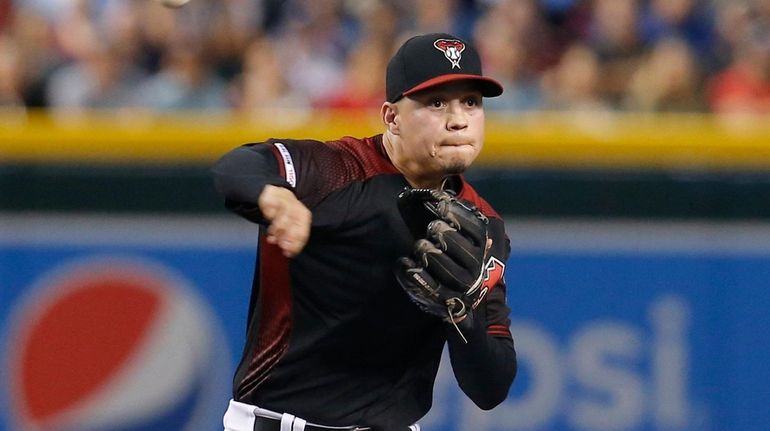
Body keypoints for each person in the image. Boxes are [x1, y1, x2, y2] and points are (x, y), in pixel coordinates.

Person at [212, 32, 517, 431]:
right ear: (392, 117)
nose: (458, 119)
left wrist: (463, 312)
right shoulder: (335, 170)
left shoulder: (483, 224)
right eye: (436, 102)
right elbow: (239, 165)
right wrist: (274, 198)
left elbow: (491, 386)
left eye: (471, 103)